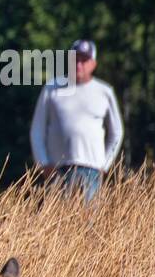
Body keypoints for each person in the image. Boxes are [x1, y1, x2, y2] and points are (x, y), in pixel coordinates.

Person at [29, 39, 123, 203]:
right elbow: (37, 130)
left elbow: (116, 132)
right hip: (57, 170)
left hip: (91, 170)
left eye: (84, 60)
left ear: (93, 64)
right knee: (57, 222)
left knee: (88, 223)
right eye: (75, 59)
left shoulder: (104, 92)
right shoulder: (52, 89)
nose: (79, 64)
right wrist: (43, 163)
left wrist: (104, 165)